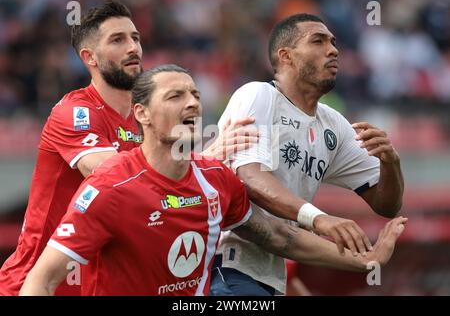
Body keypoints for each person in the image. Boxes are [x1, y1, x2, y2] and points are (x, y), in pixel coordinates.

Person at [19, 64, 407, 296]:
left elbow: (277, 236)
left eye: (195, 94)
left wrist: (364, 260)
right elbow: (42, 279)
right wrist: (320, 219)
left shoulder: (216, 180)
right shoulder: (110, 187)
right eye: (175, 96)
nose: (191, 103)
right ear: (142, 114)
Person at [0, 1, 256, 296]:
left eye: (135, 38)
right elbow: (118, 179)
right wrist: (212, 156)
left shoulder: (150, 119)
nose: (133, 47)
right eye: (118, 39)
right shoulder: (75, 112)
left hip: (91, 285)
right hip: (33, 282)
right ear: (89, 57)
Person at [210, 13, 405, 296]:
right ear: (286, 56)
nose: (333, 49)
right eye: (318, 41)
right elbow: (249, 176)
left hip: (272, 274)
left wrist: (391, 163)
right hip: (225, 267)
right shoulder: (258, 95)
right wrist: (319, 218)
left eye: (334, 42)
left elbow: (386, 205)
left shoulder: (334, 124)